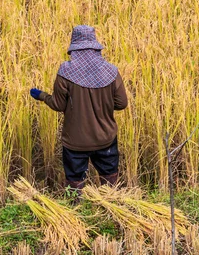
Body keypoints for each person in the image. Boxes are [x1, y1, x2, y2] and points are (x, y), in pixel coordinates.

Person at [30, 25, 128, 192]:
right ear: (95, 46)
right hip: (105, 139)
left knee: (75, 183)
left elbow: (58, 105)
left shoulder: (65, 72)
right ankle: (111, 204)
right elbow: (122, 103)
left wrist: (41, 95)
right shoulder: (111, 71)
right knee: (110, 180)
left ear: (74, 47)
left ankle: (76, 210)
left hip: (75, 142)